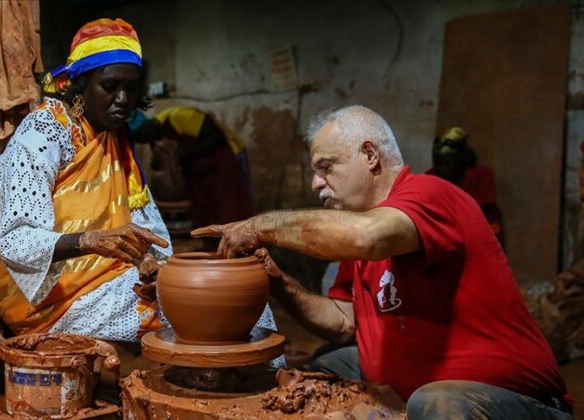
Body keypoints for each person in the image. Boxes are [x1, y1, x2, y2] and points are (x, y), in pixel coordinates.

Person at [192, 106, 572, 419]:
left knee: (436, 405)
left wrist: (261, 226)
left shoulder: (430, 194)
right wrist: (277, 282)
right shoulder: (358, 233)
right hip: (419, 389)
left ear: (371, 156)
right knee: (316, 374)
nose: (315, 183)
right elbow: (344, 323)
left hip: (511, 401)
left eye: (326, 167)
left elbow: (367, 236)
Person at [0, 18, 278, 343]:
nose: (123, 99)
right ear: (80, 83)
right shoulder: (43, 132)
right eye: (110, 87)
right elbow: (14, 242)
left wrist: (149, 260)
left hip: (111, 277)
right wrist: (89, 240)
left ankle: (257, 386)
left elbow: (141, 223)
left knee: (241, 296)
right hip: (48, 300)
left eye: (131, 87)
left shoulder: (115, 137)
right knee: (215, 303)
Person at [129, 106, 254, 235]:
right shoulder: (156, 136)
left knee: (229, 206)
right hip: (203, 168)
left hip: (226, 157)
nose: (143, 141)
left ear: (146, 126)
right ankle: (211, 244)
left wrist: (186, 154)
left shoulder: (178, 117)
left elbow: (217, 137)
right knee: (204, 207)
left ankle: (237, 245)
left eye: (141, 136)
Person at [427, 127, 504, 242]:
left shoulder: (481, 176)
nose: (442, 168)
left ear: (463, 158)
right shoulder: (430, 177)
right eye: (438, 162)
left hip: (479, 236)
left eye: (448, 162)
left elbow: (480, 216)